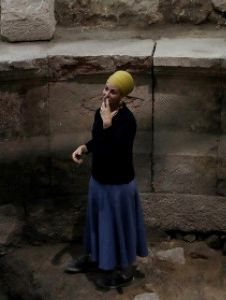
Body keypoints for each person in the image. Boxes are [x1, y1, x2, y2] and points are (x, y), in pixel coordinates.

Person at [66, 69, 149, 289]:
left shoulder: (127, 121)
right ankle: (95, 258)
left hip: (118, 184)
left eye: (113, 92)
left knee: (118, 227)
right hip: (99, 180)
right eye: (106, 88)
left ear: (123, 96)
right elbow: (99, 141)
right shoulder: (101, 112)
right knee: (98, 224)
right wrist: (84, 147)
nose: (106, 95)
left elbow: (117, 152)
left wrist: (107, 124)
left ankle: (124, 271)